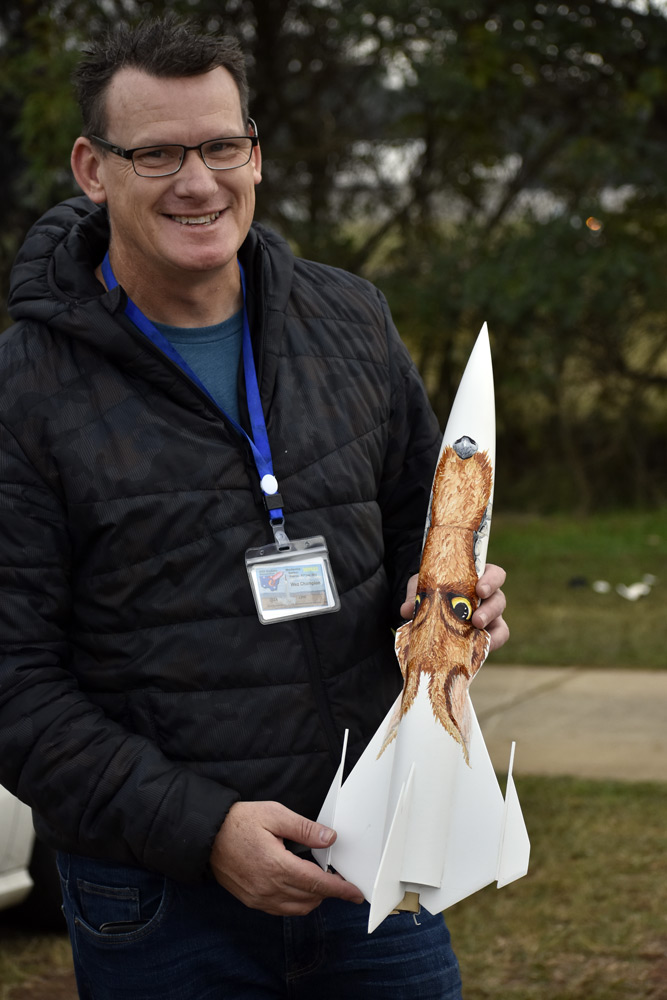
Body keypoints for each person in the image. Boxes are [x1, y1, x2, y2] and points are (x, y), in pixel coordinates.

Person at [0, 15, 508, 1000]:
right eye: (157, 153)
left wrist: (456, 602)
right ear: (93, 169)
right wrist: (204, 831)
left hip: (368, 857)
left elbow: (422, 531)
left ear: (256, 155)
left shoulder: (350, 319)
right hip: (157, 899)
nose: (198, 182)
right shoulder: (23, 392)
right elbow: (14, 681)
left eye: (221, 146)